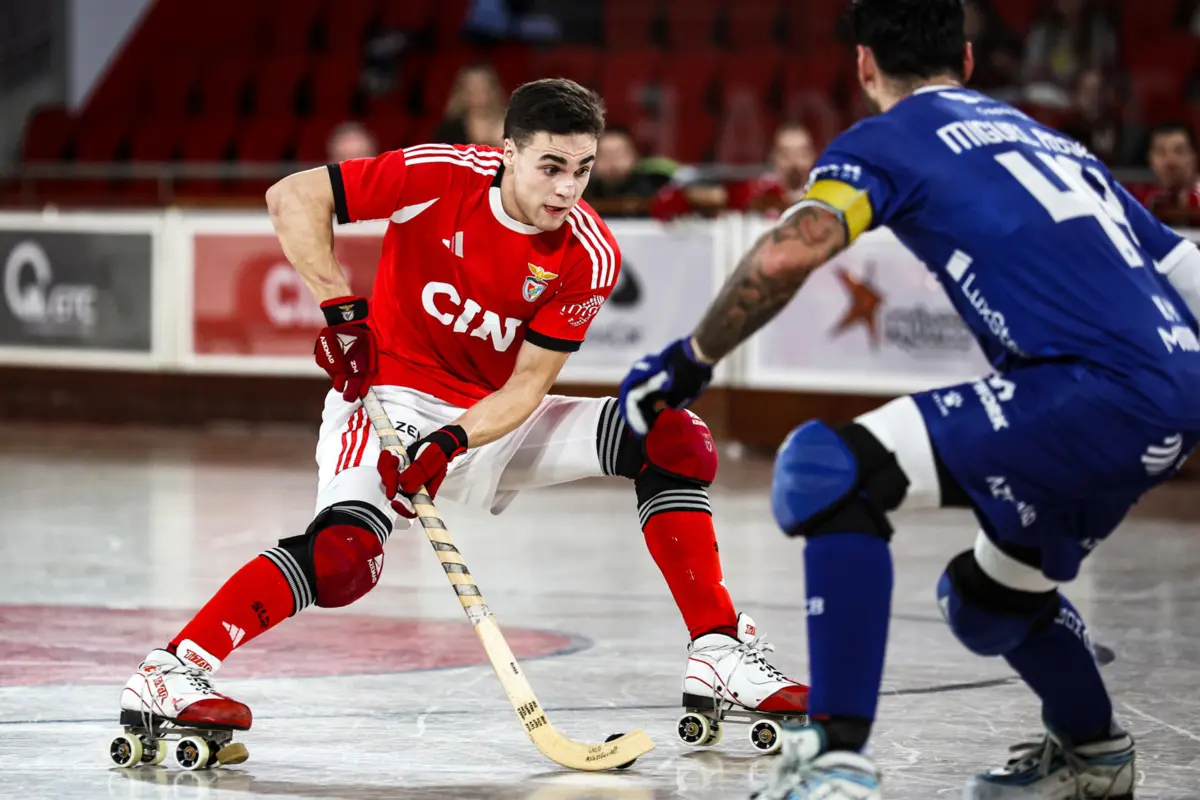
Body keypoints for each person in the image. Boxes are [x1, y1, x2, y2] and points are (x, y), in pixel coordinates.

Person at [115, 78, 807, 766]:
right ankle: (171, 671)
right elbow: (292, 198)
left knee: (673, 437)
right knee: (343, 561)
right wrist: (342, 311)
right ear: (507, 152)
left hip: (492, 420)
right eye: (551, 167)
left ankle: (717, 653)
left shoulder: (588, 254)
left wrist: (451, 441)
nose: (568, 190)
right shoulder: (438, 174)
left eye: (583, 170)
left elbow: (528, 386)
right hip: (388, 400)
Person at [619, 0, 1200, 797]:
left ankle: (835, 763)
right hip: (1173, 394)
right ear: (965, 59)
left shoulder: (886, 140)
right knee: (990, 598)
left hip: (1088, 388)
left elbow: (794, 249)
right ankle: (1095, 756)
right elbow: (1184, 271)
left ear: (863, 67)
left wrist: (689, 361)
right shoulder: (1045, 137)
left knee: (829, 470)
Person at [1021, 0, 1117, 109]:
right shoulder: (1044, 28)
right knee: (1034, 92)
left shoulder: (1097, 28)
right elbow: (1032, 68)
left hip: (1085, 93)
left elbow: (1101, 69)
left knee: (1092, 82)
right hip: (1053, 91)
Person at [1133, 122, 1200, 224]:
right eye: (1161, 152)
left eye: (1179, 151)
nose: (1170, 161)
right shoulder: (1137, 201)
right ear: (1150, 158)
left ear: (1194, 156)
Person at [432, 62, 506, 148]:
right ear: (462, 92)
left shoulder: (510, 127)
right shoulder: (449, 130)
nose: (479, 92)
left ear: (494, 89)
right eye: (473, 86)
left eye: (483, 86)